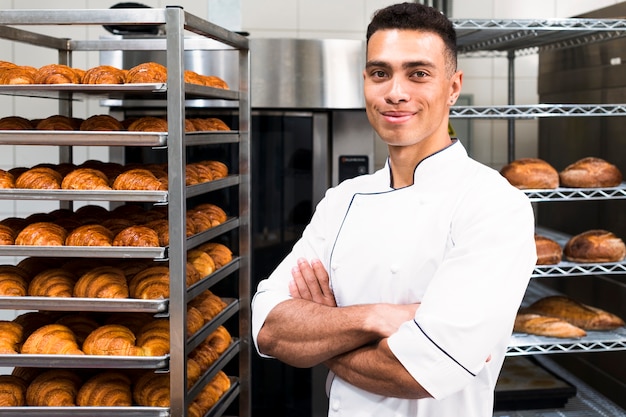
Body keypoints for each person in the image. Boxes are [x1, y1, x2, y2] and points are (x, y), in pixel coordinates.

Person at [251, 2, 537, 416]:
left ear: (453, 87)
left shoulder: (493, 204)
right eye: (380, 73)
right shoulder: (343, 199)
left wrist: (321, 335)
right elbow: (269, 328)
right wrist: (380, 318)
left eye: (418, 73)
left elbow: (418, 372)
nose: (395, 92)